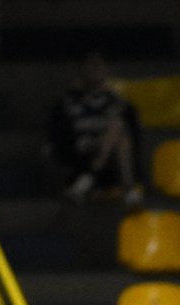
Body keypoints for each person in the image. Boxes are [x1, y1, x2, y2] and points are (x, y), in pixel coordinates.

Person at [46, 50, 143, 207]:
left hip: (111, 167)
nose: (96, 68)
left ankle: (89, 177)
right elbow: (56, 137)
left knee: (120, 130)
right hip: (78, 157)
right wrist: (81, 143)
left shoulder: (120, 103)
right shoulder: (67, 102)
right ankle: (129, 189)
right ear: (82, 68)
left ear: (109, 69)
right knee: (118, 130)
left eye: (100, 64)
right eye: (91, 64)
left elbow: (135, 141)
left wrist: (101, 143)